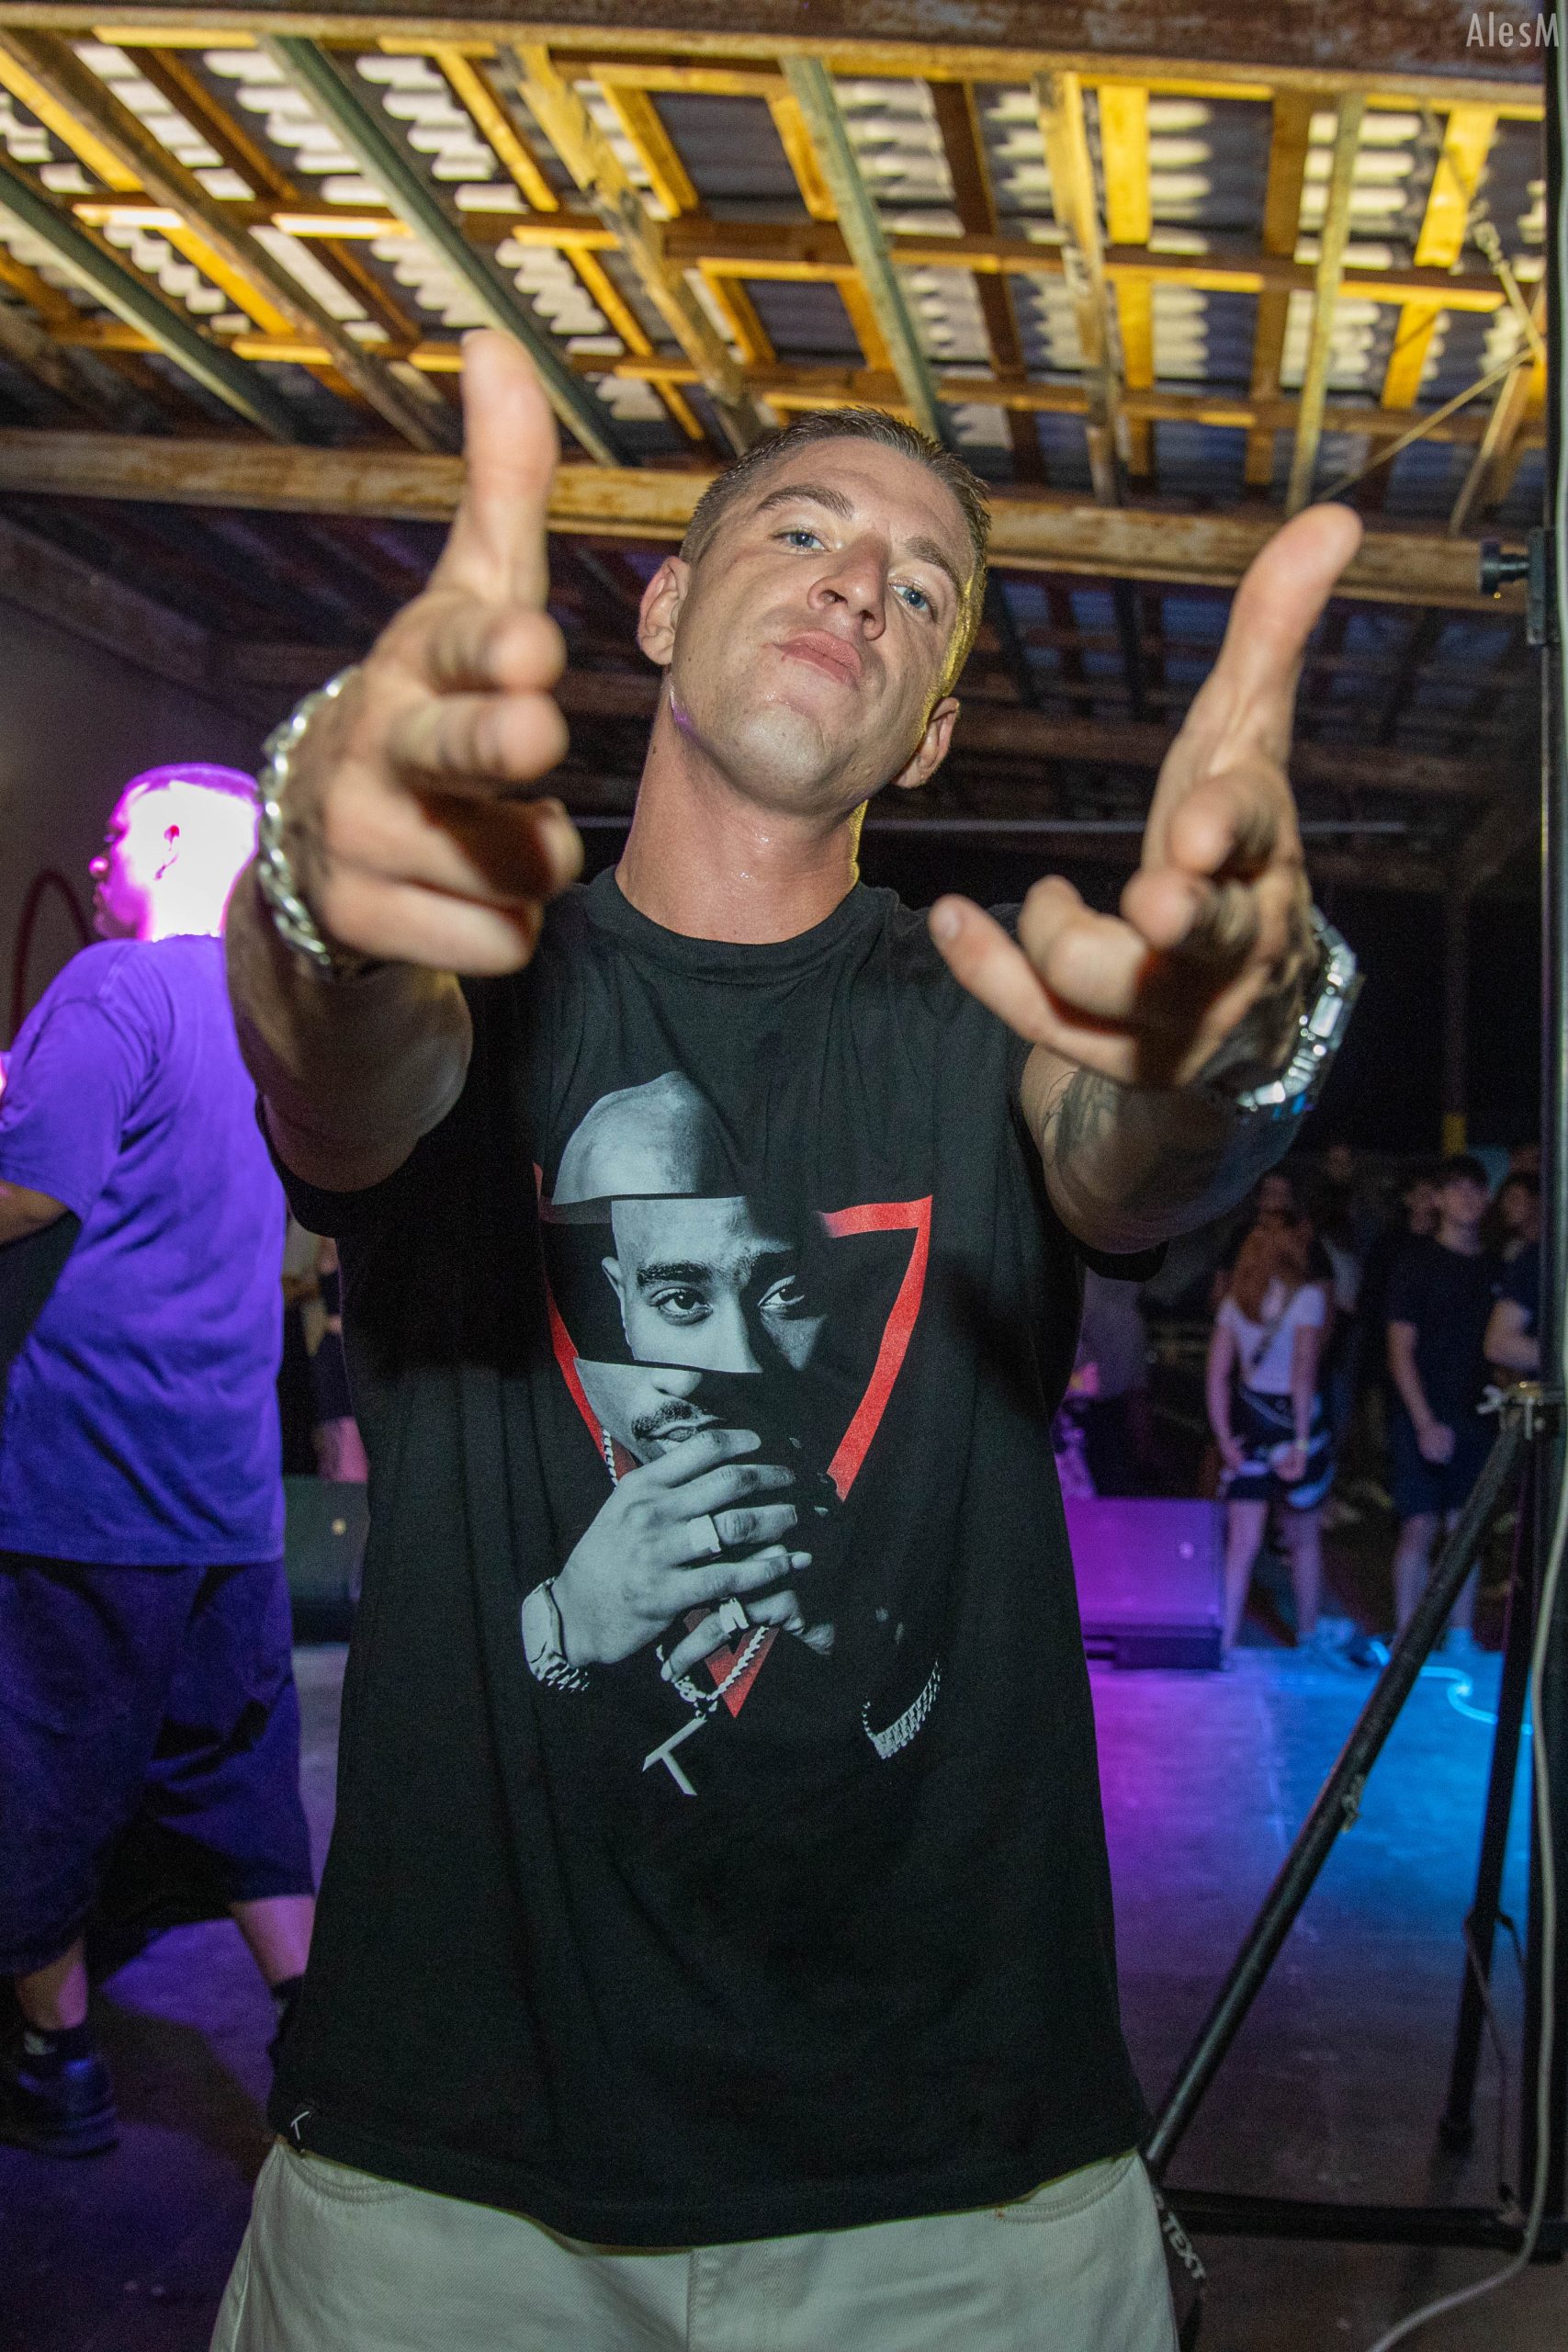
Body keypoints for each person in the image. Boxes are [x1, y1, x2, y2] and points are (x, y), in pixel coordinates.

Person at [215, 331, 1360, 2351]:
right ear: (662, 607)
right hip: (447, 2189)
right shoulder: (474, 988)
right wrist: (316, 885)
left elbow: (1127, 1154)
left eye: (921, 586)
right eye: (805, 532)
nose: (861, 587)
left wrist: (1235, 1040)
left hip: (966, 2194)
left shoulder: (985, 1017)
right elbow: (343, 1054)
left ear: (927, 736)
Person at [0, 764, 314, 2158]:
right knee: (235, 1774)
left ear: (178, 838)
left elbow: (30, 1195)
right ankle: (314, 2039)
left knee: (41, 1776)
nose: (97, 853)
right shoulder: (273, 1019)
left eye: (118, 829)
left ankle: (55, 2061)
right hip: (225, 1493)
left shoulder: (113, 986)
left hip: (83, 1478)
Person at [1385, 1153, 1501, 1647]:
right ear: (1436, 1198)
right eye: (1456, 1188)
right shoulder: (1415, 1264)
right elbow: (1399, 1349)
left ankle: (1460, 1636)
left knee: (1465, 1527)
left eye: (1476, 1189)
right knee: (1420, 1524)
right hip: (1423, 1410)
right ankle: (1408, 1637)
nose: (1467, 1198)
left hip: (1477, 1413)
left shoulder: (1496, 1266)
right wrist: (1424, 1422)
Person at [1205, 1214, 1334, 1657]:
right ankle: (1309, 1637)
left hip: (1248, 1425)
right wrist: (1302, 1442)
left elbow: (1217, 1377)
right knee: (1304, 1538)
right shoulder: (1308, 1299)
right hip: (1290, 1424)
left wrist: (1224, 1438)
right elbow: (1303, 1376)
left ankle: (1223, 1641)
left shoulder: (1235, 1303)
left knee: (1242, 1544)